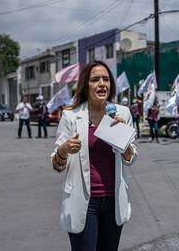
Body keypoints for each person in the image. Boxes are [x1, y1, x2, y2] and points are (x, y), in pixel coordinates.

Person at [50, 60, 137, 251]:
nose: (102, 84)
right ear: (85, 85)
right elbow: (57, 164)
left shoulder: (122, 113)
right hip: (84, 202)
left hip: (113, 201)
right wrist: (63, 150)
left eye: (106, 79)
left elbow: (130, 158)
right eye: (95, 79)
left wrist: (122, 135)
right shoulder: (71, 115)